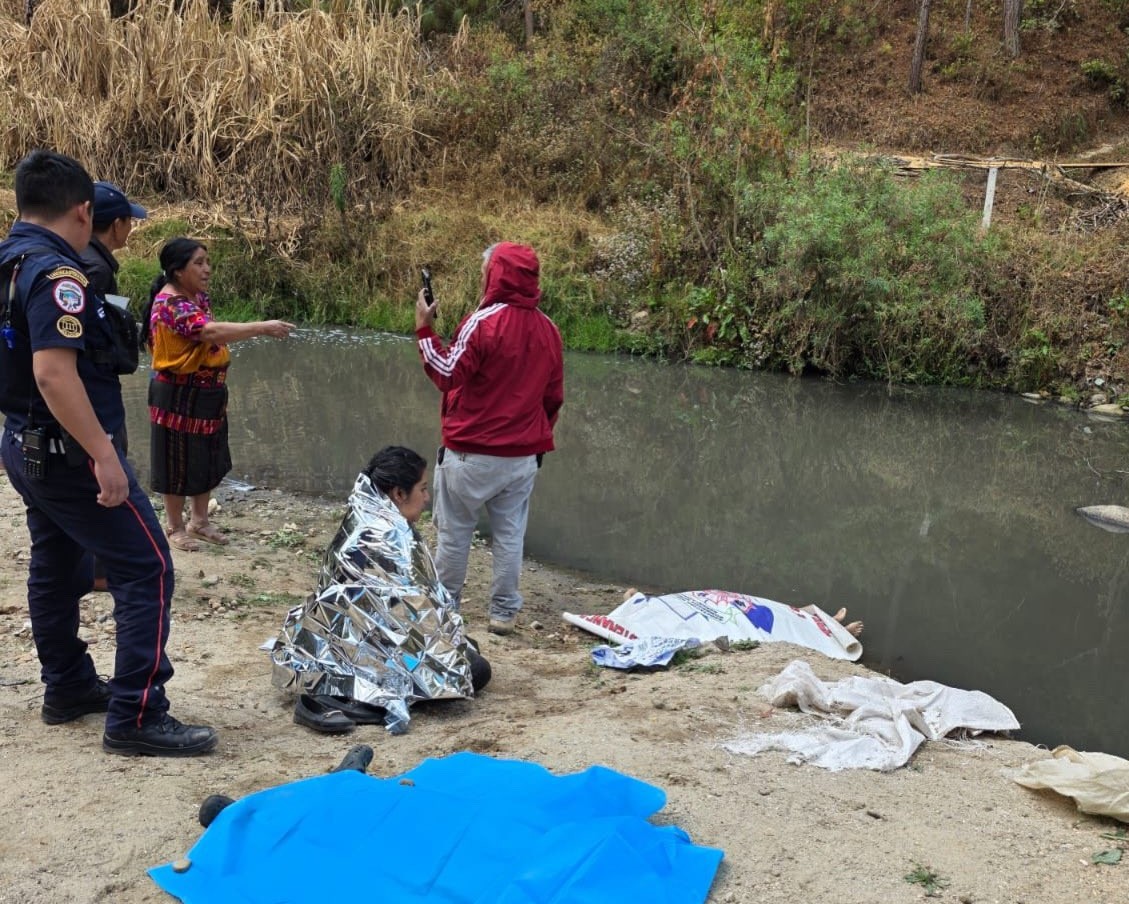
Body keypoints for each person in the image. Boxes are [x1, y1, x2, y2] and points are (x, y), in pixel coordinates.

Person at [0, 149, 217, 756]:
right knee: (147, 564)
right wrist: (103, 454)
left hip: (26, 444)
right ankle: (138, 715)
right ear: (82, 210)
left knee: (55, 564)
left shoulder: (8, 261)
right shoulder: (58, 277)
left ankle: (67, 686)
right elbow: (52, 373)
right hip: (69, 453)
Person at [271, 445, 491, 735]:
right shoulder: (386, 535)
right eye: (422, 489)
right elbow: (411, 612)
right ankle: (341, 700)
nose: (426, 498)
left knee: (465, 652)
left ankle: (340, 695)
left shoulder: (371, 516)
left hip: (353, 637)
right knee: (474, 670)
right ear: (399, 493)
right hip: (355, 647)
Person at [415, 242, 564, 636]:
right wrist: (534, 440)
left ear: (494, 275)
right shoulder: (549, 329)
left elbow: (445, 372)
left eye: (486, 272)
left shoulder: (483, 321)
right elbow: (553, 398)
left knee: (454, 533)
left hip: (469, 454)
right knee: (510, 534)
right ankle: (503, 613)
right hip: (521, 458)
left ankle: (446, 609)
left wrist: (423, 328)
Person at [141, 237, 294, 551]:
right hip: (177, 394)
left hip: (207, 392)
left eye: (207, 262)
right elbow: (209, 332)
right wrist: (262, 327)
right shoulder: (170, 304)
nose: (207, 269)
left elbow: (212, 334)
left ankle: (200, 520)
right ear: (177, 270)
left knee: (207, 454)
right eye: (198, 263)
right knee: (176, 459)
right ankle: (174, 526)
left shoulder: (198, 298)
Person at [78, 181, 147, 592]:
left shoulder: (85, 260)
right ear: (116, 225)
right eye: (129, 222)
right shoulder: (95, 269)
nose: (131, 229)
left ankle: (92, 567)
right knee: (109, 475)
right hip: (94, 394)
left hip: (87, 391)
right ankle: (101, 571)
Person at [79, 181, 146, 299]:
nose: (131, 226)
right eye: (129, 220)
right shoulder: (98, 271)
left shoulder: (78, 251)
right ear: (118, 224)